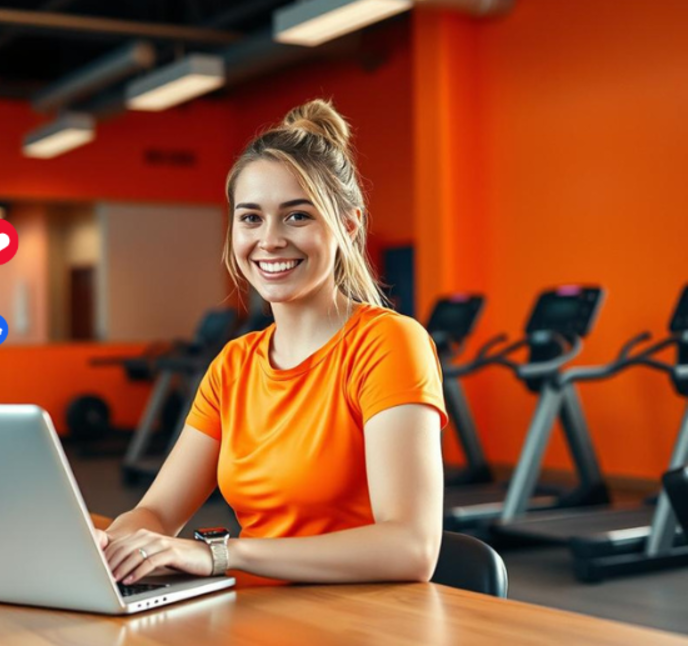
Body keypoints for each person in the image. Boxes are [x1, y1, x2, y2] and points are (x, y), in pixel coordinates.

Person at [97, 99, 448, 586]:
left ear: (347, 225)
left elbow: (411, 547)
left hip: (360, 622)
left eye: (297, 216)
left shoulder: (389, 343)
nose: (270, 240)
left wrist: (223, 554)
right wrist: (114, 543)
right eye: (251, 218)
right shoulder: (234, 365)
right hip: (252, 618)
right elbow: (156, 510)